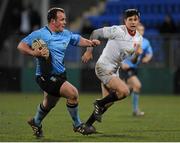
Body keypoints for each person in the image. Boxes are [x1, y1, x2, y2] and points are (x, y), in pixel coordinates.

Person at [17, 7, 100, 138]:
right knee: (73, 94)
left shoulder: (65, 34)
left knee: (49, 104)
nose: (65, 22)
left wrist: (90, 43)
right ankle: (78, 125)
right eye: (62, 19)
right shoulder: (40, 34)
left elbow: (77, 39)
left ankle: (36, 122)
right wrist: (34, 52)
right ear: (53, 21)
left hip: (60, 74)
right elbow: (21, 45)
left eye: (65, 19)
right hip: (45, 76)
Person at [81, 9, 143, 129]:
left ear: (138, 20)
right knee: (124, 91)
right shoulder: (118, 30)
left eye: (135, 19)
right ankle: (98, 103)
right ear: (125, 21)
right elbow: (95, 33)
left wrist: (138, 54)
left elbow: (133, 61)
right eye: (130, 19)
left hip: (114, 70)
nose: (133, 22)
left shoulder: (138, 38)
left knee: (109, 102)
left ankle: (87, 125)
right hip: (104, 66)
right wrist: (89, 51)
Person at [120, 23, 153, 116]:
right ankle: (135, 110)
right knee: (137, 85)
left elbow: (149, 53)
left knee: (123, 91)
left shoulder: (145, 42)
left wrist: (147, 58)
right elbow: (118, 53)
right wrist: (122, 64)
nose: (141, 32)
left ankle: (104, 102)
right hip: (125, 68)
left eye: (142, 30)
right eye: (139, 30)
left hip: (134, 68)